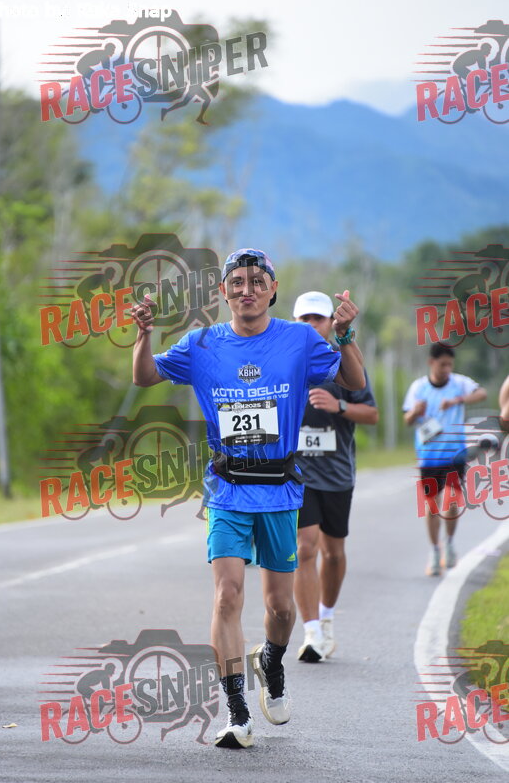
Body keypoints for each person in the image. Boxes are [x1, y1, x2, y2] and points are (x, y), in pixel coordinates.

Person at [131, 248, 366, 749]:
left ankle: (272, 662)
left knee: (280, 609)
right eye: (237, 282)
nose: (247, 290)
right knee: (227, 595)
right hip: (226, 489)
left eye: (258, 281)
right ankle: (237, 711)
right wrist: (144, 334)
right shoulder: (201, 344)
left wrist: (345, 335)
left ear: (273, 290)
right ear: (223, 291)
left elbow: (354, 381)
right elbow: (145, 375)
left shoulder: (300, 339)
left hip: (279, 490)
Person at [292, 291, 379, 662]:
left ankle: (326, 617)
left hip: (337, 472)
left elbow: (371, 414)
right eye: (305, 319)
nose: (312, 325)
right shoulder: (285, 361)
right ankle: (312, 633)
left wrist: (338, 405)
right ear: (295, 323)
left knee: (334, 553)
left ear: (330, 322)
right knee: (305, 547)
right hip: (298, 472)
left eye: (318, 318)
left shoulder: (343, 361)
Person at [403, 343, 487, 576]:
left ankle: (449, 542)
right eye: (443, 365)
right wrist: (415, 412)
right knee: (432, 508)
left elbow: (482, 393)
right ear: (431, 363)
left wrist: (457, 400)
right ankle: (434, 550)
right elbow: (407, 420)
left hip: (454, 456)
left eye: (450, 365)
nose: (447, 369)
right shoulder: (418, 388)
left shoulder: (459, 383)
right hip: (428, 458)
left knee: (451, 504)